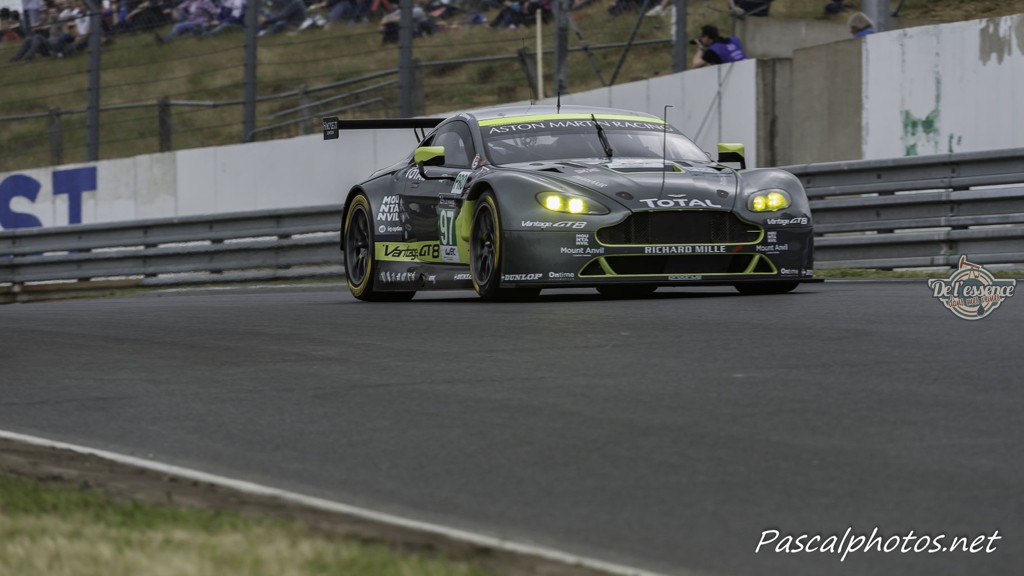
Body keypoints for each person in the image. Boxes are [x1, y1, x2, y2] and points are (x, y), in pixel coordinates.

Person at [154, 0, 218, 42]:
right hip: (191, 20)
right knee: (180, 29)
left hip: (201, 21)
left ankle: (163, 40)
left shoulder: (205, 1)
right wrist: (173, 11)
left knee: (178, 26)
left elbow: (214, 12)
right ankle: (164, 39)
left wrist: (211, 21)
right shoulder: (191, 1)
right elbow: (180, 7)